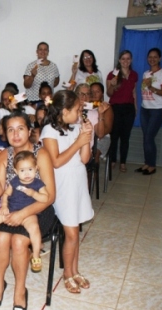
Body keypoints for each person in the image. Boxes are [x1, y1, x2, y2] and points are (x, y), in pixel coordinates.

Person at [0, 111, 56, 310]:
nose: (16, 134)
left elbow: (50, 196)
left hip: (38, 209)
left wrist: (23, 213)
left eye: (21, 129)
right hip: (11, 205)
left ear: (29, 130)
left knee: (18, 242)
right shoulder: (4, 155)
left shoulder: (40, 154)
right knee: (0, 238)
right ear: (5, 134)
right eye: (10, 130)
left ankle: (19, 291)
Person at [40, 90, 94, 294]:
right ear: (64, 111)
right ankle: (67, 275)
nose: (80, 113)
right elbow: (56, 161)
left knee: (75, 231)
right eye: (78, 110)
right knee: (70, 233)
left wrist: (86, 137)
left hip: (78, 181)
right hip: (62, 184)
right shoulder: (49, 131)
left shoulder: (75, 128)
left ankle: (75, 270)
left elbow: (85, 159)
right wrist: (77, 143)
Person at [135, 48, 162, 175]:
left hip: (157, 110)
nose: (152, 59)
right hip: (145, 108)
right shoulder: (146, 74)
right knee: (146, 137)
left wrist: (150, 86)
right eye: (150, 57)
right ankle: (147, 163)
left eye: (155, 57)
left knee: (149, 137)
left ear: (160, 58)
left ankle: (152, 165)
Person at [106, 50, 138, 173]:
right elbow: (109, 93)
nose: (125, 61)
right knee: (114, 136)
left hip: (129, 109)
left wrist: (135, 108)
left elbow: (134, 93)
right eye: (123, 59)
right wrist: (113, 85)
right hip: (115, 108)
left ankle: (123, 162)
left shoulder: (134, 75)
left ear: (131, 60)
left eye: (128, 58)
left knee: (126, 137)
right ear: (119, 60)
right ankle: (113, 160)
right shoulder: (112, 75)